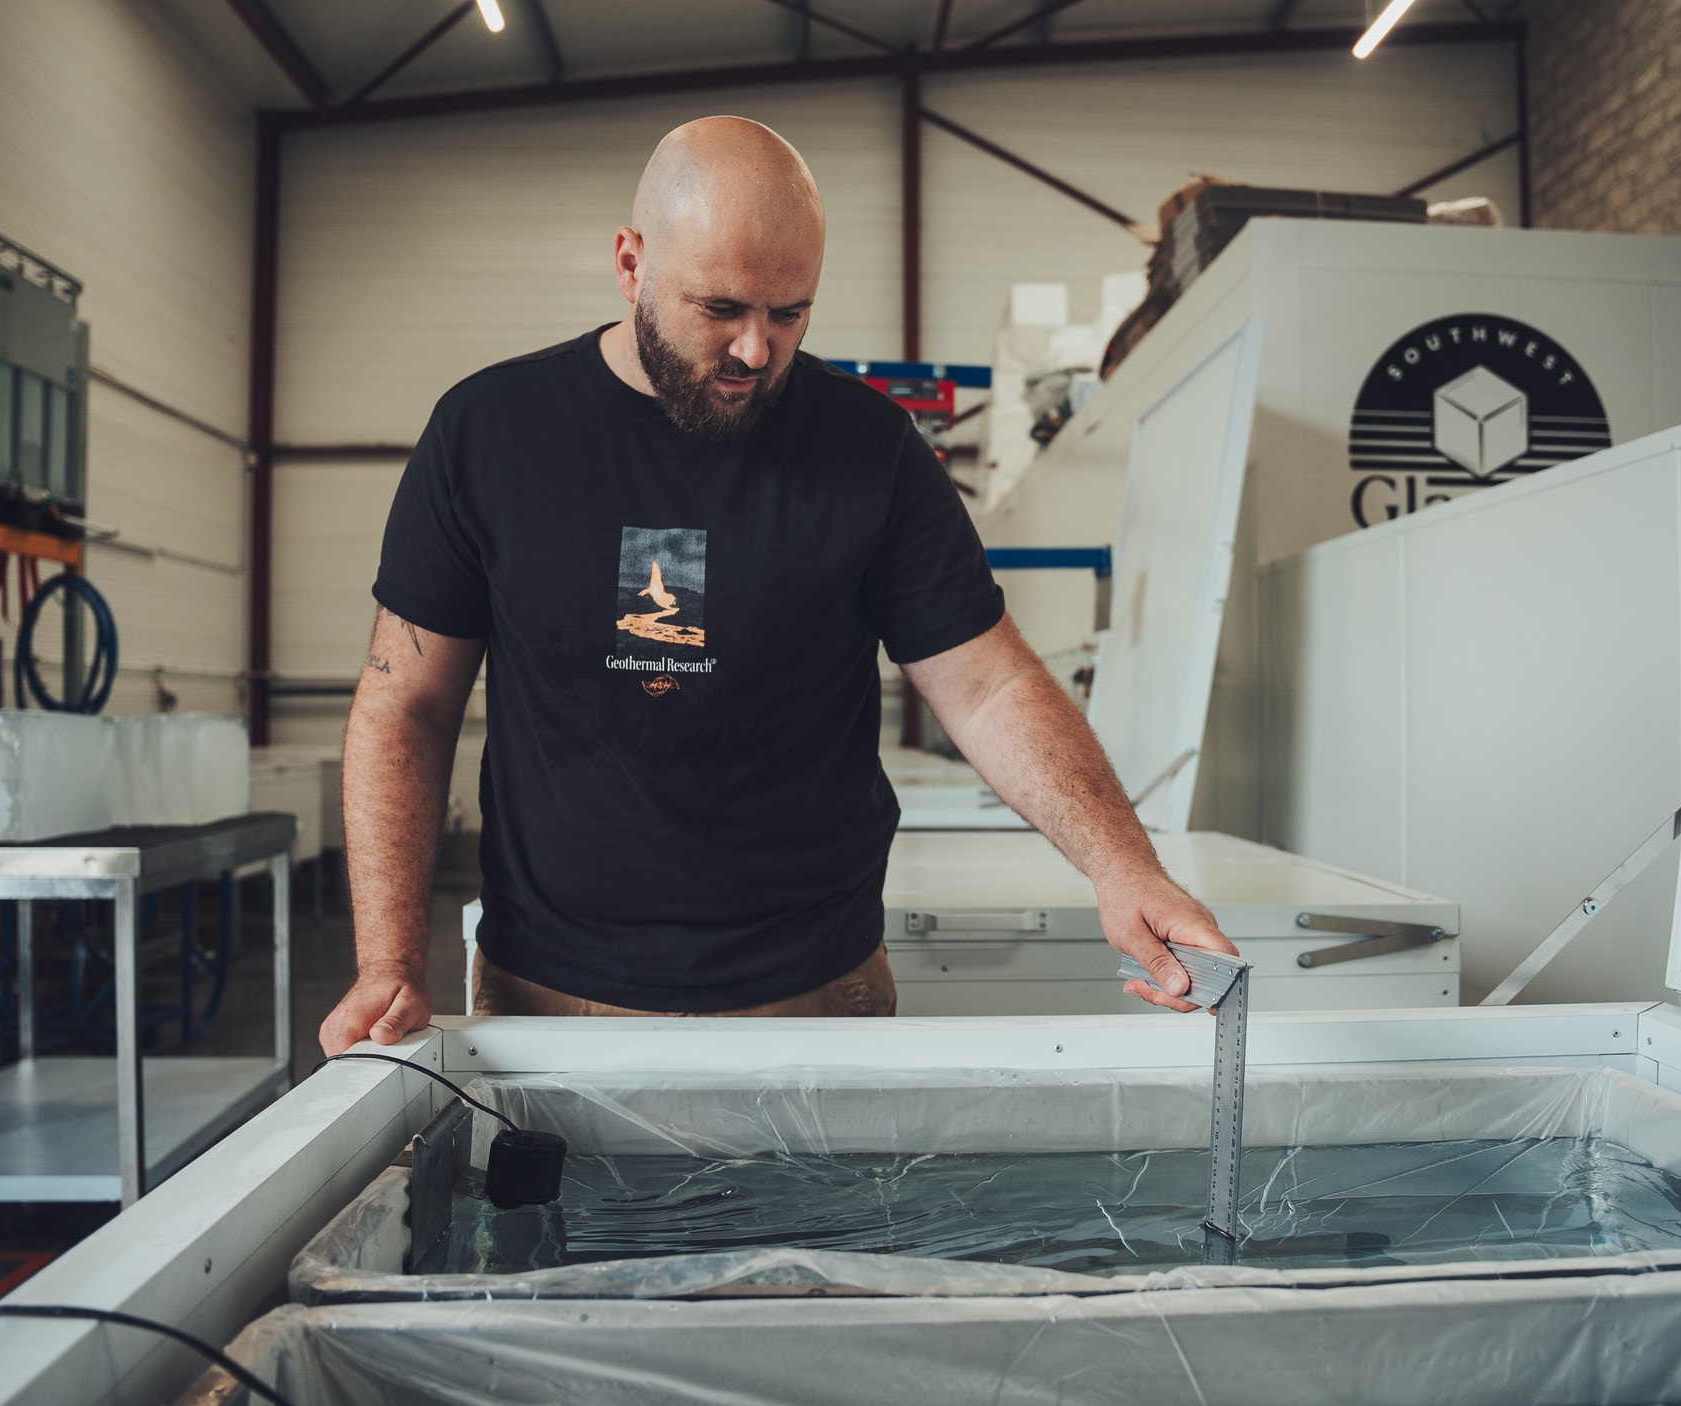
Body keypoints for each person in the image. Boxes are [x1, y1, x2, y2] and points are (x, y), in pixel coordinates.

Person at [317, 115, 1235, 1055]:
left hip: (815, 992)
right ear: (631, 264)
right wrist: (388, 962)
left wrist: (1125, 868)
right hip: (551, 996)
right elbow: (405, 704)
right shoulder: (490, 436)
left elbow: (988, 686)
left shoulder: (868, 450)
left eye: (789, 313)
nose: (757, 350)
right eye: (720, 308)